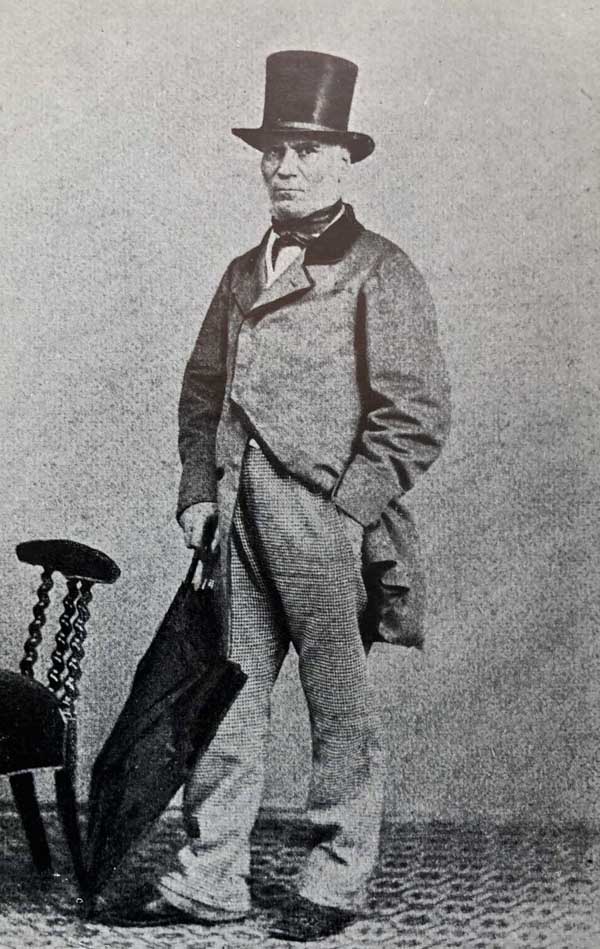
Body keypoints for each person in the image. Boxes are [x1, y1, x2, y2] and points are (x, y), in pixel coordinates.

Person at [129, 50, 450, 941]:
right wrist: (198, 491)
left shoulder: (380, 270)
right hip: (234, 517)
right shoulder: (243, 271)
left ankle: (336, 881)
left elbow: (416, 414)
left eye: (307, 151)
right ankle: (210, 879)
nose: (286, 167)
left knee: (340, 712)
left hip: (326, 525)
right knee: (226, 704)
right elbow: (202, 393)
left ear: (343, 162)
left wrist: (349, 510)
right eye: (274, 150)